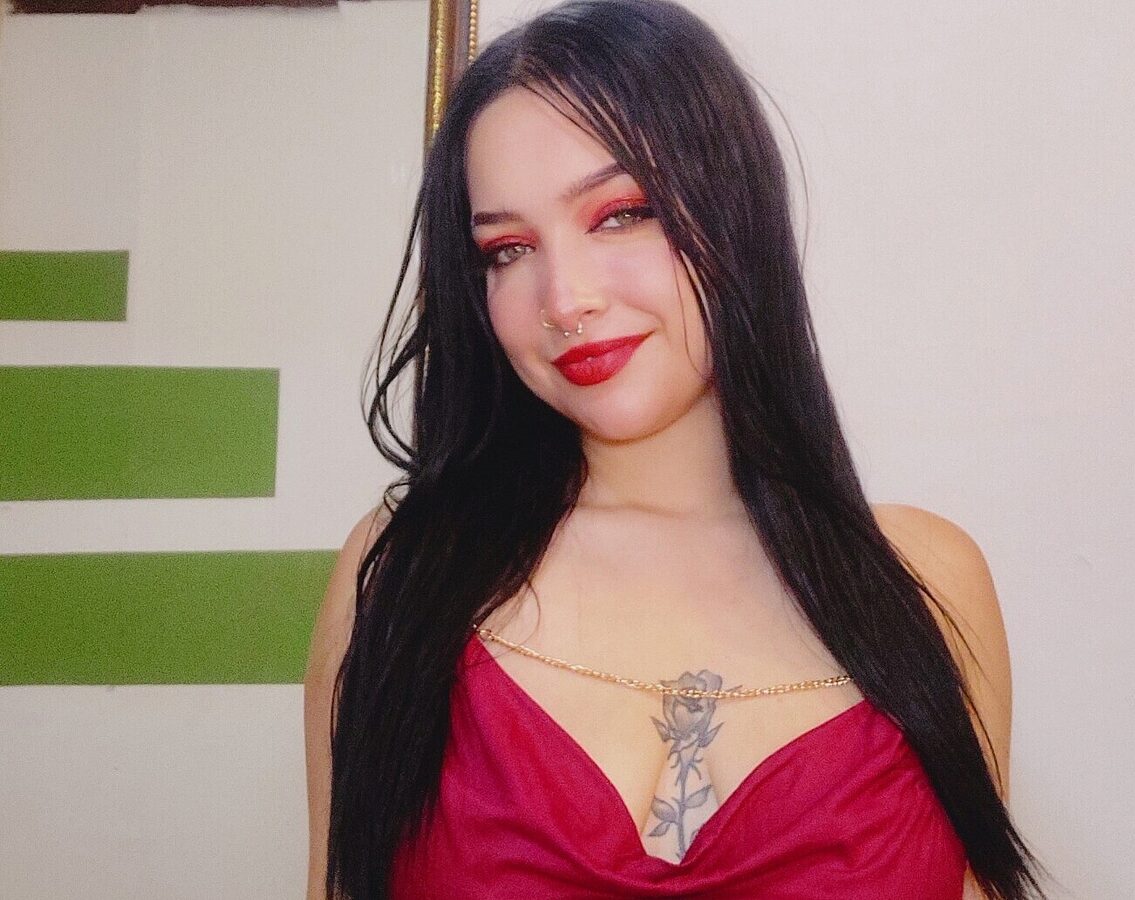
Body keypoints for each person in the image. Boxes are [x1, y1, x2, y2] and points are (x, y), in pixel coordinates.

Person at [304, 1, 1048, 897]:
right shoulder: (400, 577)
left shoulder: (928, 583)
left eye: (621, 214)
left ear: (734, 211)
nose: (564, 298)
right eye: (507, 250)